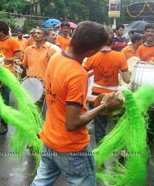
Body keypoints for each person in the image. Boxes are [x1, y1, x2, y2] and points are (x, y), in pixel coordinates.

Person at [30, 21, 123, 186]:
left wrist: (95, 99)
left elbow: (60, 95)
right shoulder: (77, 73)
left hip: (50, 140)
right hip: (71, 148)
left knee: (41, 182)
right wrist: (104, 105)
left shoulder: (56, 57)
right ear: (91, 51)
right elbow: (72, 123)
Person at [84, 26, 130, 144]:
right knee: (116, 127)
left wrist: (95, 71)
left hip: (97, 96)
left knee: (100, 128)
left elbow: (82, 75)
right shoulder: (120, 56)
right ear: (113, 39)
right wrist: (122, 71)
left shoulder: (92, 56)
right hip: (114, 96)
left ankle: (100, 156)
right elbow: (127, 79)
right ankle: (116, 151)